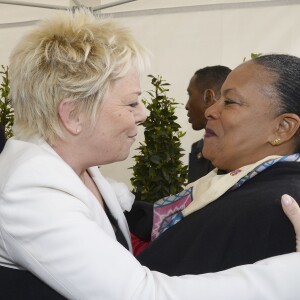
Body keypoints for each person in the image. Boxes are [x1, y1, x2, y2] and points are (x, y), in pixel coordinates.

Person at [0, 9, 300, 300]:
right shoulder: (30, 188)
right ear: (73, 114)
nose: (143, 114)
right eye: (131, 103)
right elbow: (139, 294)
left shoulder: (79, 168)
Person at [133, 54, 300, 276]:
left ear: (282, 127)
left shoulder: (276, 207)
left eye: (229, 102)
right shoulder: (238, 185)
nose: (210, 111)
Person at [186, 65, 231, 182]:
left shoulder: (235, 154)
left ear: (208, 97)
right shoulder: (199, 148)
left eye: (190, 94)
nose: (186, 106)